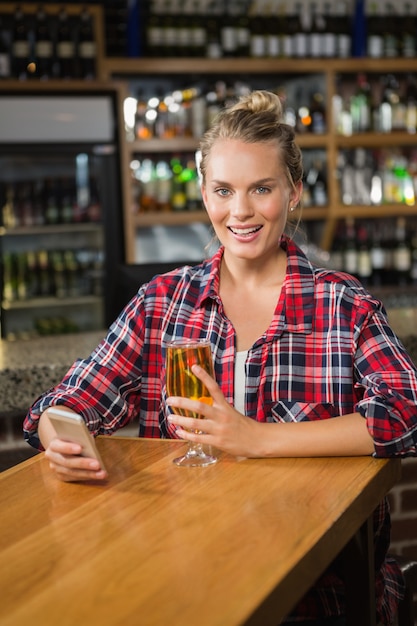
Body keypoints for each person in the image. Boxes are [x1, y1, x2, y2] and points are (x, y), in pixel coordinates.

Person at [24, 90, 417, 625]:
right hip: (183, 567)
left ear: (294, 193)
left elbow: (407, 410)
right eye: (223, 191)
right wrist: (59, 433)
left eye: (262, 189)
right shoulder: (162, 302)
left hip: (317, 586)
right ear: (205, 196)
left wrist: (256, 440)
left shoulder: (343, 304)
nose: (241, 211)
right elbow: (71, 401)